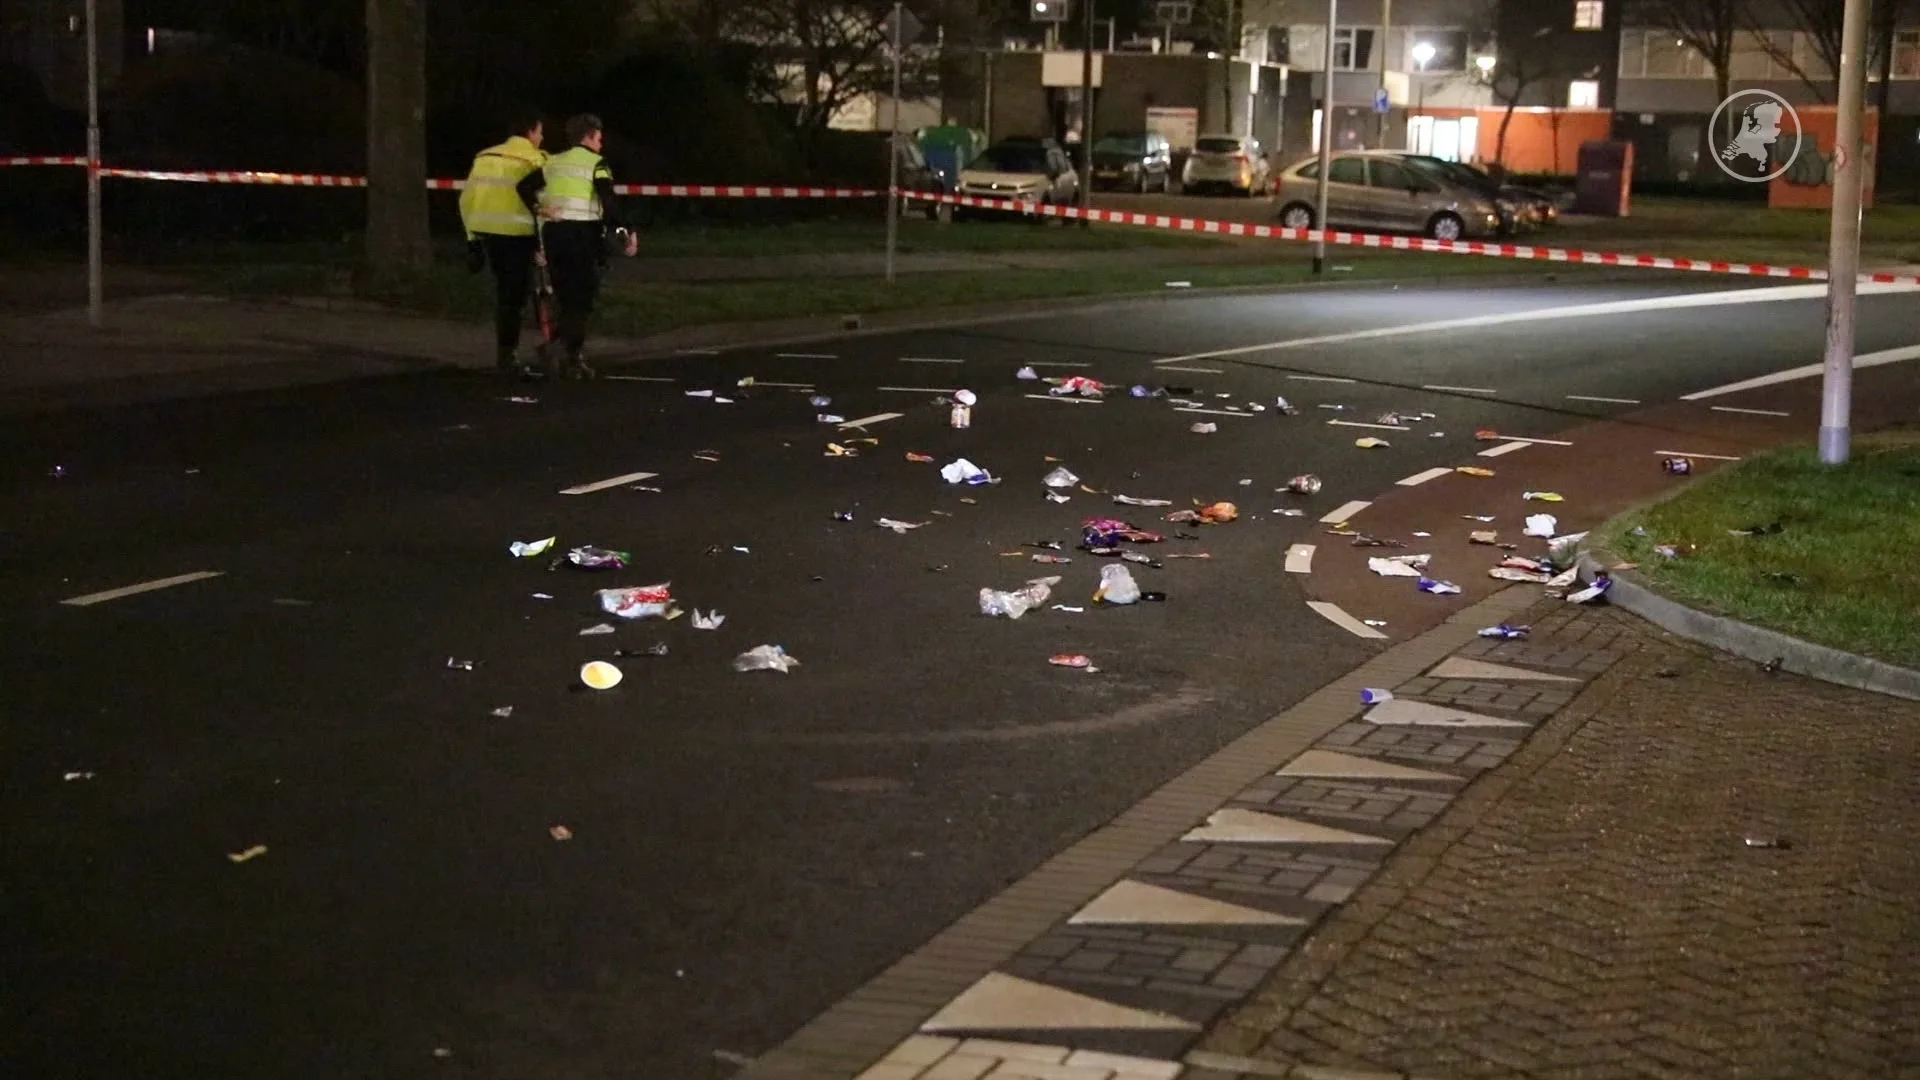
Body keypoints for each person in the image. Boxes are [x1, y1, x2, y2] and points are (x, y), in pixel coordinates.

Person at [517, 113, 638, 380]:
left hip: (554, 235)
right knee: (582, 297)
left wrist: (539, 208)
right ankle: (562, 351)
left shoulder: (554, 162)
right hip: (582, 234)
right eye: (599, 139)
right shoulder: (597, 163)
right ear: (589, 137)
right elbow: (607, 199)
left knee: (566, 296)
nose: (601, 144)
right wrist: (625, 230)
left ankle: (570, 356)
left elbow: (524, 186)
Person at [459, 108, 548, 379]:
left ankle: (506, 353)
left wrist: (472, 240)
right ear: (531, 131)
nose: (542, 138)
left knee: (505, 297)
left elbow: (466, 200)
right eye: (541, 132)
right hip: (519, 236)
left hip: (490, 235)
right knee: (515, 298)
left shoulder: (485, 157)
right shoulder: (536, 160)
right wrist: (542, 244)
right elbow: (543, 204)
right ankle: (508, 359)